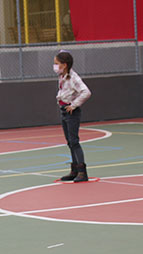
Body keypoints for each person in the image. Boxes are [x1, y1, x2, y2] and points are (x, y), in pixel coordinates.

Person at [54, 50, 91, 182]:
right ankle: (74, 169)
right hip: (63, 110)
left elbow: (86, 92)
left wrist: (74, 105)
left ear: (64, 65)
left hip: (71, 112)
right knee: (70, 141)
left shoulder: (74, 78)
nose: (55, 66)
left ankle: (82, 171)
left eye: (57, 63)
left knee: (74, 141)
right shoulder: (62, 76)